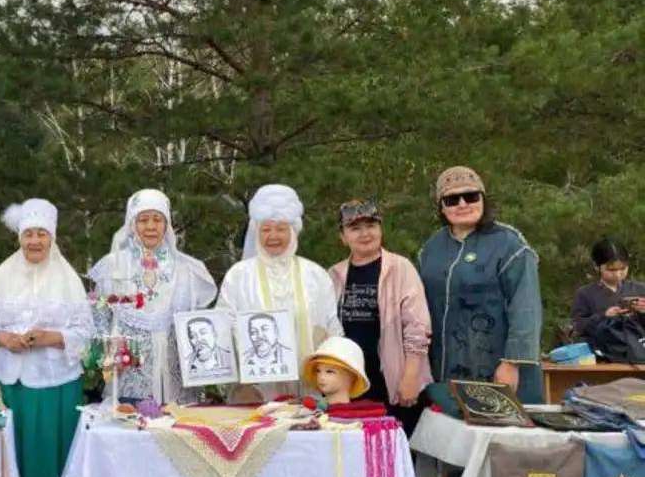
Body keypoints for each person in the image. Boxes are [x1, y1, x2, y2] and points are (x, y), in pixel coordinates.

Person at [0, 199, 93, 477]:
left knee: (48, 460)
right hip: (11, 387)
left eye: (42, 234)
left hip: (56, 386)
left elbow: (85, 333)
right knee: (13, 460)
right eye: (29, 234)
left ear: (52, 238)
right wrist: (3, 338)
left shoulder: (67, 277)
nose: (35, 241)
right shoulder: (3, 272)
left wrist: (51, 337)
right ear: (20, 238)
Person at [418, 166, 543, 402]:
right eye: (452, 199)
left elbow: (526, 307)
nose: (463, 204)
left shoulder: (510, 244)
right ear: (442, 207)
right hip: (445, 371)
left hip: (500, 368)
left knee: (503, 436)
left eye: (471, 196)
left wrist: (511, 362)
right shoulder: (430, 249)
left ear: (484, 199)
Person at [88, 189, 218, 404]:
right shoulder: (112, 266)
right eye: (143, 220)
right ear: (132, 224)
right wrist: (107, 354)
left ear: (166, 225)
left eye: (157, 219)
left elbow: (200, 326)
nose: (150, 227)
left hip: (179, 381)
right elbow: (99, 322)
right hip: (128, 378)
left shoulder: (188, 270)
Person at [218, 184, 343, 398]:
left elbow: (333, 329)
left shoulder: (315, 275)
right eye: (266, 229)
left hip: (310, 392)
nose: (273, 236)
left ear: (293, 231)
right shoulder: (238, 277)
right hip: (255, 393)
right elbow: (222, 328)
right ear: (256, 232)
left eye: (281, 229)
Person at [327, 199, 432, 433]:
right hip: (350, 385)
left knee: (395, 457)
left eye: (371, 226)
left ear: (381, 229)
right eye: (355, 228)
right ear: (343, 237)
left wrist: (411, 377)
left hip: (394, 382)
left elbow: (418, 326)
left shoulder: (401, 268)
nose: (365, 233)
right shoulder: (333, 275)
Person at [571, 237, 645, 340]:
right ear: (597, 266)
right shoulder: (585, 294)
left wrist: (642, 312)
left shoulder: (640, 289)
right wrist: (604, 316)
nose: (618, 274)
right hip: (604, 350)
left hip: (638, 348)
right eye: (611, 270)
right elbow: (578, 326)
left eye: (623, 268)